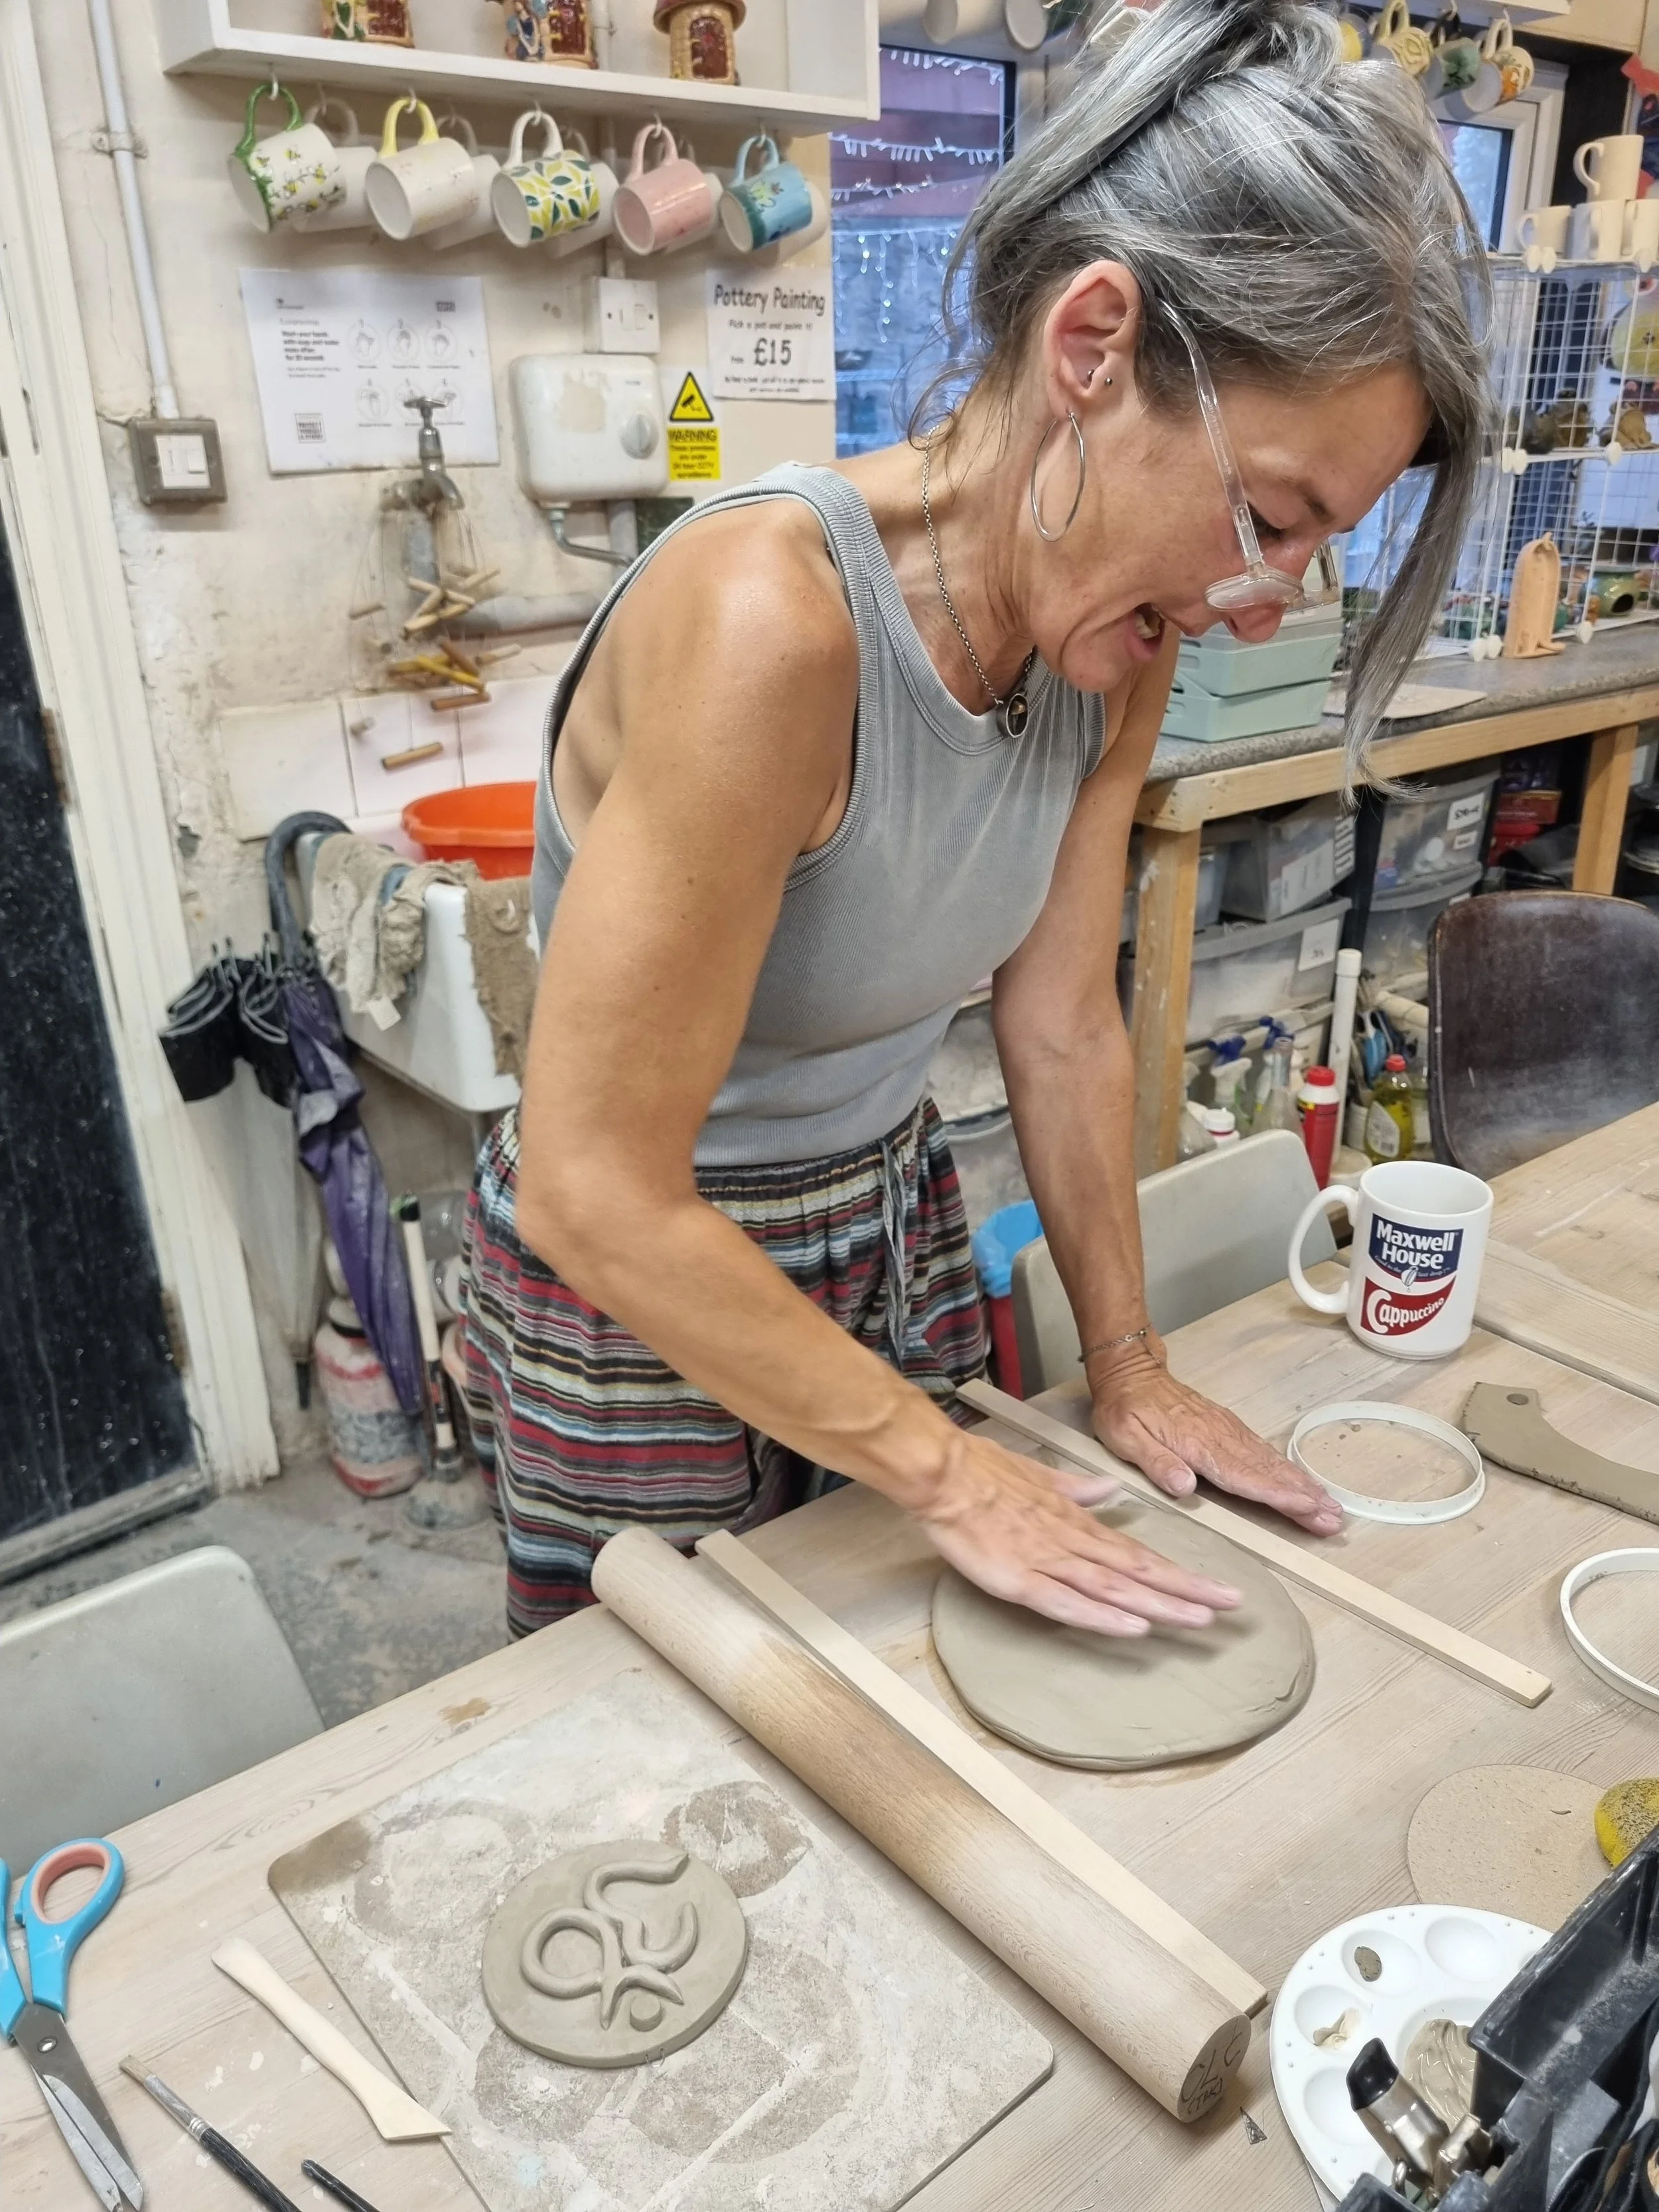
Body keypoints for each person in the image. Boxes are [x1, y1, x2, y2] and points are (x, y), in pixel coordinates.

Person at [462, 0, 1489, 1640]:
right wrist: (941, 1470)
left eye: (1313, 547)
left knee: (948, 1677)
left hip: (885, 1214)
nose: (1262, 598)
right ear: (1090, 343)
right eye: (1268, 515)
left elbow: (1063, 1020)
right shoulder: (769, 624)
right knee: (683, 1744)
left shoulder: (1115, 631)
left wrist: (1129, 1366)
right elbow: (596, 1179)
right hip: (652, 1278)